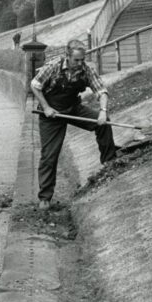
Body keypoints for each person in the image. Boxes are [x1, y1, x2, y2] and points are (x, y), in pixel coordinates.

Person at [30, 39, 118, 210]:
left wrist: (103, 111)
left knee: (104, 123)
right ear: (67, 56)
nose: (79, 63)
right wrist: (47, 107)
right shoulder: (53, 67)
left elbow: (101, 90)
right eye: (76, 60)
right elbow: (35, 85)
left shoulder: (86, 69)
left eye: (82, 60)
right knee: (49, 155)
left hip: (73, 108)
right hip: (52, 116)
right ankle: (45, 198)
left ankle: (110, 164)